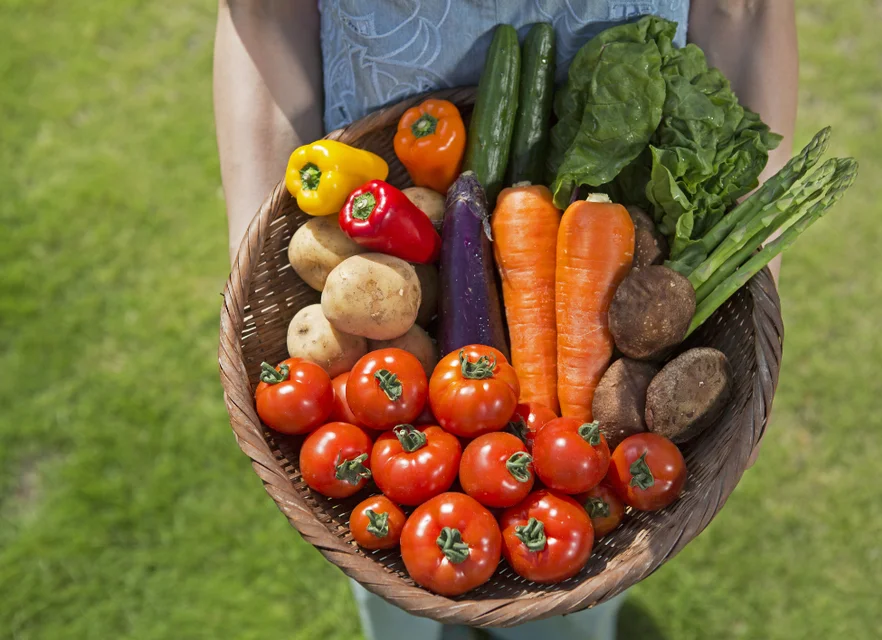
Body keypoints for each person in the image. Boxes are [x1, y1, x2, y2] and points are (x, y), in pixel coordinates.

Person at [214, 2, 797, 639]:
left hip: (611, 134)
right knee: (393, 599)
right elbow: (263, 11)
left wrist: (756, 272)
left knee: (570, 614)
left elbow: (744, 11)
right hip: (376, 153)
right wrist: (261, 250)